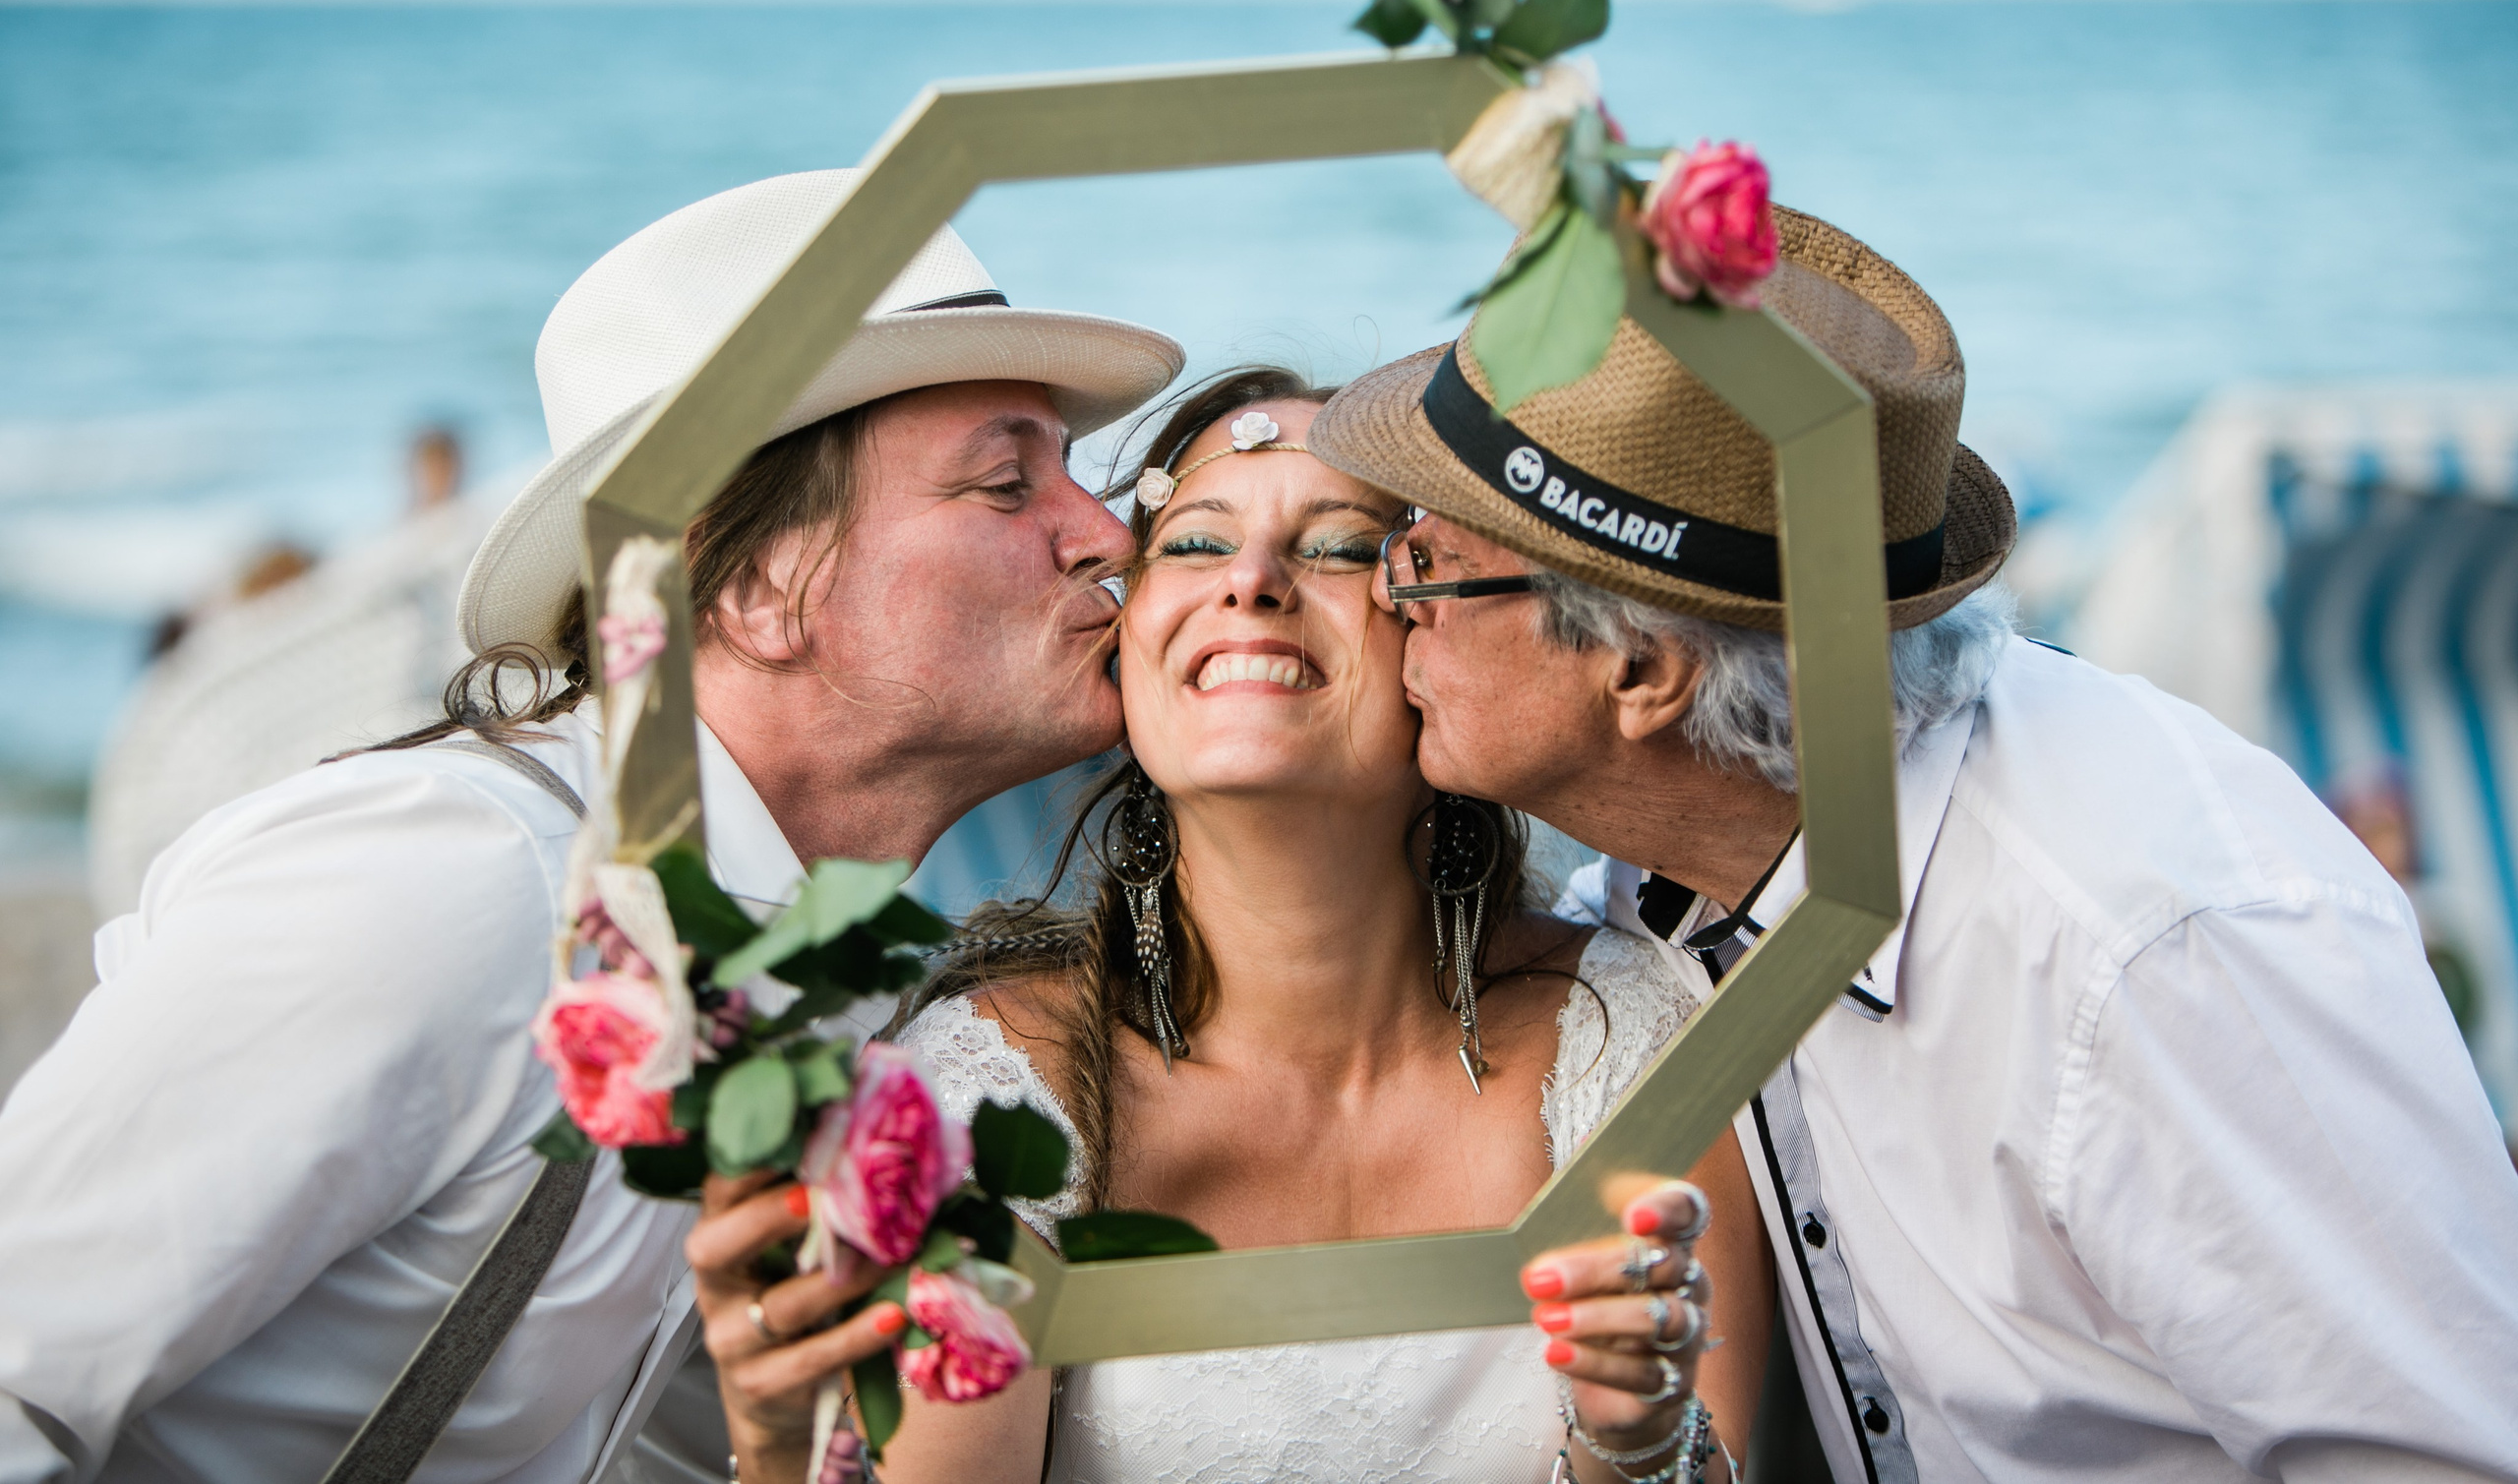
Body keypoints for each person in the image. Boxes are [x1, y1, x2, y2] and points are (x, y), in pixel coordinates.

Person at [0, 169, 1183, 1484]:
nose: (1108, 532)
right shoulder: (444, 888)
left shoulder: (821, 964)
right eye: (1008, 484)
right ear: (755, 587)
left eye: (1076, 474)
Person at [1305, 206, 2518, 1482]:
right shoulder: (1660, 885)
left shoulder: (2150, 942)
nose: (1393, 602)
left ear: (1644, 671)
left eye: (1428, 562)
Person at [823, 369, 1774, 1484]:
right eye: (1189, 546)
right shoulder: (977, 1096)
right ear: (1125, 648)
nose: (1252, 584)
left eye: (1335, 548)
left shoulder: (1635, 1041)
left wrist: (1635, 1443)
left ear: (1438, 639)